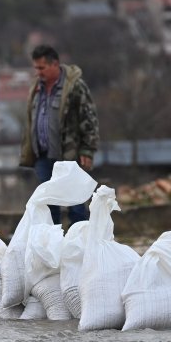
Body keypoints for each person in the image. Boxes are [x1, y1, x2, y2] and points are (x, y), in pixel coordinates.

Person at [19, 44, 99, 225]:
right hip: (43, 157)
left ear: (54, 64)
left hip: (69, 157)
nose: (38, 72)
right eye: (36, 68)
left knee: (76, 205)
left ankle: (79, 245)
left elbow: (89, 118)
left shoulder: (74, 87)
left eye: (42, 67)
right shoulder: (36, 88)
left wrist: (87, 150)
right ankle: (54, 247)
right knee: (48, 207)